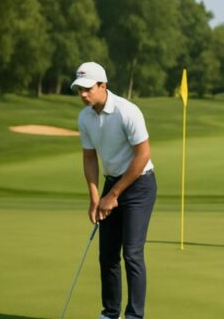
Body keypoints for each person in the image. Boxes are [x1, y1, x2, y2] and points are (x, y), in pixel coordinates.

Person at [72, 62, 157, 319]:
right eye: (79, 89)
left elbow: (143, 155)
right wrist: (95, 197)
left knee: (132, 253)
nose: (83, 94)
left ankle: (134, 316)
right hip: (111, 184)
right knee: (107, 254)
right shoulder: (84, 117)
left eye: (88, 88)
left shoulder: (127, 111)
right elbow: (89, 157)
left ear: (103, 85)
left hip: (139, 185)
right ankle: (110, 313)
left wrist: (113, 195)